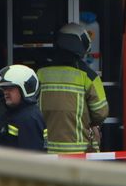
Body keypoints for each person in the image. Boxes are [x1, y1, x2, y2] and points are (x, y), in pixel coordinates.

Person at [35, 22, 108, 154]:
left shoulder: (40, 73)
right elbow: (101, 113)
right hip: (79, 154)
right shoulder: (89, 77)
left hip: (47, 152)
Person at [0, 63, 45, 152]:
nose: (6, 92)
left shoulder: (28, 118)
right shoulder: (15, 114)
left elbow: (29, 158)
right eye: (4, 89)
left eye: (10, 88)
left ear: (26, 88)